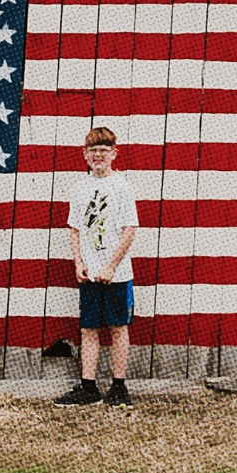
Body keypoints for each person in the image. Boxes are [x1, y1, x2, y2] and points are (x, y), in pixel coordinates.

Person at [53, 126, 139, 410]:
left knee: (117, 327)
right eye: (93, 151)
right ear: (84, 155)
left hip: (117, 273)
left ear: (114, 154)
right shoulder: (80, 188)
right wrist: (79, 263)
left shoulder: (122, 187)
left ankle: (118, 386)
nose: (98, 155)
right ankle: (89, 387)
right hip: (89, 272)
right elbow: (75, 229)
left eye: (104, 150)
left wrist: (112, 266)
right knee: (88, 328)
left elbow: (129, 230)